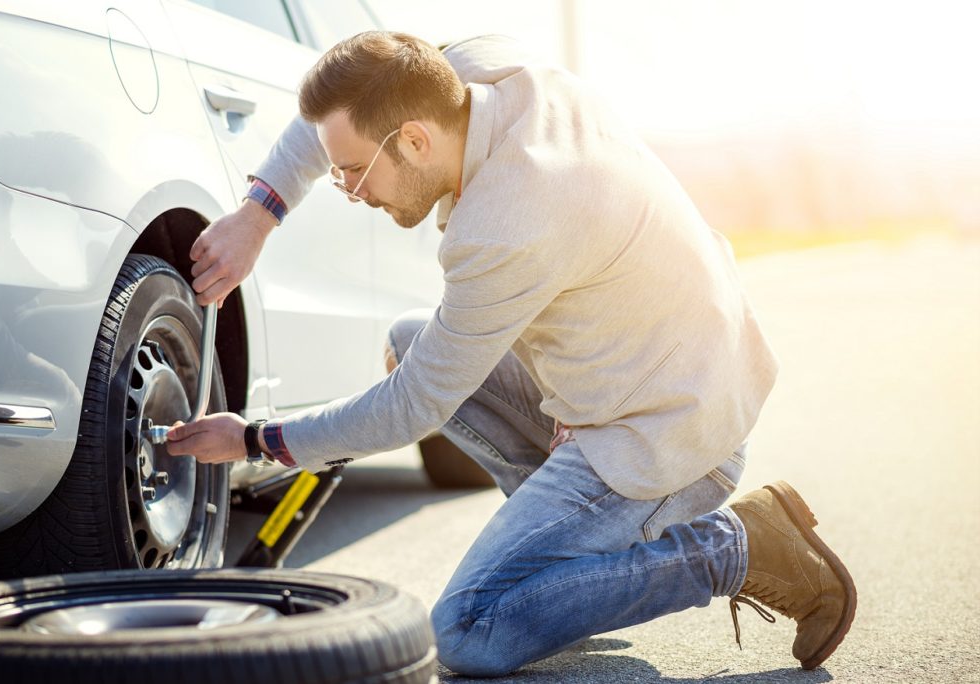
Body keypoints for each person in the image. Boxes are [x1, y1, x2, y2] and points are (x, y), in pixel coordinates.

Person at [166, 32, 856, 676]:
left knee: (469, 630)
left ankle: (736, 547)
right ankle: (562, 568)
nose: (349, 191)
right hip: (673, 367)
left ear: (415, 140)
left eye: (352, 173)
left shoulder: (507, 221)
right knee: (409, 339)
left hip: (669, 434)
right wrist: (257, 215)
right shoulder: (475, 75)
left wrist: (256, 440)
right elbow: (337, 116)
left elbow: (413, 406)